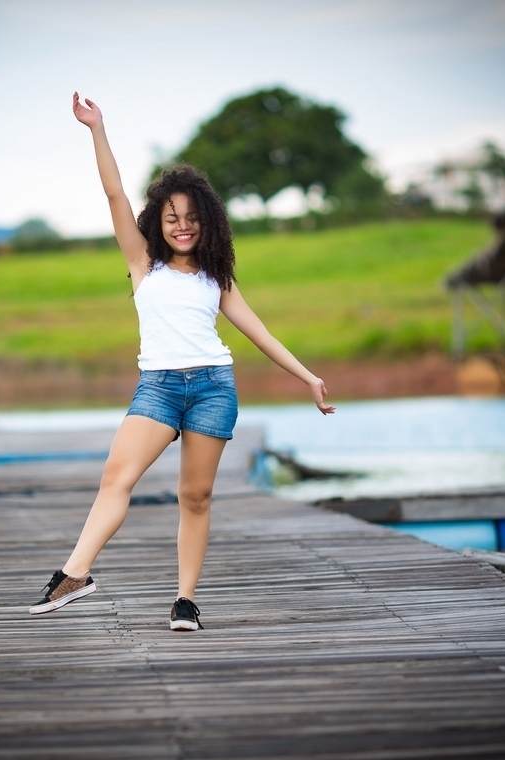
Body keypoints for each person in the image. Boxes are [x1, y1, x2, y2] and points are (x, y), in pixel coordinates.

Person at [29, 92, 336, 630]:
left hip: (214, 388)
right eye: (172, 218)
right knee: (116, 477)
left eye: (191, 218)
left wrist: (308, 377)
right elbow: (114, 193)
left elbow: (258, 332)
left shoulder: (217, 278)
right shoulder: (142, 262)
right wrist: (97, 129)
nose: (182, 227)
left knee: (195, 496)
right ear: (158, 221)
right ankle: (75, 575)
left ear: (207, 222)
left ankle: (185, 601)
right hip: (159, 388)